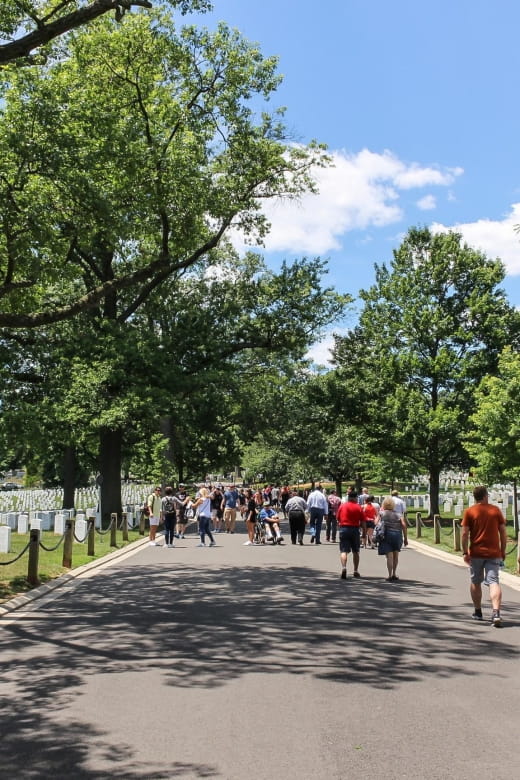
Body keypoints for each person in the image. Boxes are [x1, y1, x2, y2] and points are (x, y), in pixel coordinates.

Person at [461, 485, 507, 626]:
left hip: (476, 552)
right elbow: (503, 533)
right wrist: (503, 550)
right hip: (493, 552)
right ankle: (496, 612)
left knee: (476, 581)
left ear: (475, 497)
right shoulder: (495, 510)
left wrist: (464, 552)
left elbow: (464, 534)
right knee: (494, 581)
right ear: (485, 495)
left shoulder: (469, 512)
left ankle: (478, 611)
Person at [377, 496, 408, 581]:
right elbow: (404, 525)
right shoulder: (398, 514)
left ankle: (389, 575)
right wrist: (405, 538)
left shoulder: (382, 513)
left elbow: (376, 522)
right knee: (396, 555)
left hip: (386, 535)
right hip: (397, 535)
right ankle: (394, 573)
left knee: (389, 556)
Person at [336, 490, 364, 578]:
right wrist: (364, 532)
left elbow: (338, 518)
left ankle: (344, 568)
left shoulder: (342, 506)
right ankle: (355, 570)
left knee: (344, 551)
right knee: (356, 551)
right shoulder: (358, 507)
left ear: (348, 497)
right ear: (355, 498)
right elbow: (363, 521)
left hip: (344, 529)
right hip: (355, 529)